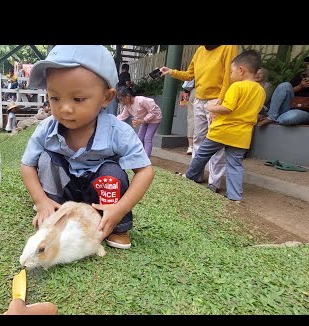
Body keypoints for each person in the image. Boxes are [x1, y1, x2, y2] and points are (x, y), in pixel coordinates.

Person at [21, 45, 155, 249]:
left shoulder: (118, 131)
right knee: (47, 160)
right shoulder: (46, 128)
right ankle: (53, 213)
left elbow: (145, 171)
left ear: (106, 98)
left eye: (78, 99)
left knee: (113, 172)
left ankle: (116, 225)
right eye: (55, 97)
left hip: (98, 197)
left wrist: (120, 208)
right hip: (62, 194)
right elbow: (27, 165)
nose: (65, 108)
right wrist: (40, 200)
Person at [179, 50, 266, 203]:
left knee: (202, 154)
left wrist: (210, 107)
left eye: (231, 71)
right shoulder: (260, 90)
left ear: (241, 70)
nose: (230, 75)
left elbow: (227, 108)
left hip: (222, 131)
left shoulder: (237, 86)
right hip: (243, 134)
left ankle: (190, 176)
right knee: (235, 165)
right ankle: (235, 196)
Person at [160, 45, 238, 193]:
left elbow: (229, 77)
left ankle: (214, 183)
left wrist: (220, 101)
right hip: (199, 100)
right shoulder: (200, 50)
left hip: (216, 101)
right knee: (198, 138)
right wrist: (170, 71)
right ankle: (196, 175)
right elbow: (190, 75)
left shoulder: (228, 47)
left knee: (216, 141)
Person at [257, 58, 309, 127]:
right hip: (289, 106)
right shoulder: (299, 78)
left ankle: (273, 118)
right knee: (285, 85)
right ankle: (271, 117)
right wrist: (300, 86)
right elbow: (287, 90)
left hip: (304, 112)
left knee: (289, 117)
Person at [116, 86, 162, 158]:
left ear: (128, 96)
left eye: (121, 100)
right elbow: (123, 116)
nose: (121, 102)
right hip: (143, 120)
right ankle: (139, 155)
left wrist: (143, 120)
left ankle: (146, 159)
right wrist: (113, 121)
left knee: (147, 138)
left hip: (154, 119)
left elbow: (154, 112)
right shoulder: (127, 106)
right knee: (140, 137)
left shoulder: (141, 100)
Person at [181, 79, 196, 154]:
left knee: (192, 118)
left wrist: (186, 91)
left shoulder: (196, 67)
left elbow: (189, 78)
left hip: (195, 90)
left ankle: (191, 146)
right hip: (214, 92)